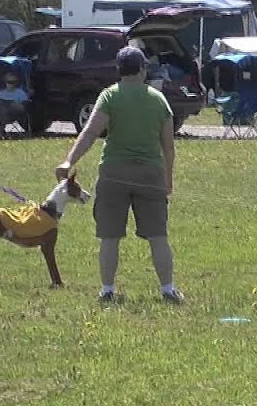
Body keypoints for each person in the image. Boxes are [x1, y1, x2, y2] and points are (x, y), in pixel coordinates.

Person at [56, 46, 183, 304]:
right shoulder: (158, 99)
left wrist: (69, 160)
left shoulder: (109, 97)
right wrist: (168, 179)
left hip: (113, 173)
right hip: (151, 174)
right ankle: (168, 289)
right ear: (143, 69)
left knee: (110, 236)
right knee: (158, 235)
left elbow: (90, 133)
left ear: (119, 70)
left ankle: (107, 290)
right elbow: (168, 147)